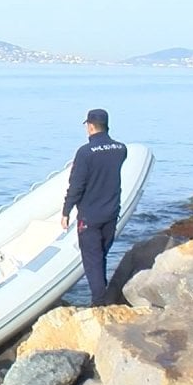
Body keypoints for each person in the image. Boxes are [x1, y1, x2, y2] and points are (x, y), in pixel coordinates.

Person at [61, 108, 127, 306]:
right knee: (101, 257)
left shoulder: (85, 153)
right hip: (111, 212)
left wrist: (66, 211)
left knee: (92, 261)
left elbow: (77, 185)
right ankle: (103, 296)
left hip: (90, 216)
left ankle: (99, 304)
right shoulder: (121, 149)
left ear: (90, 126)